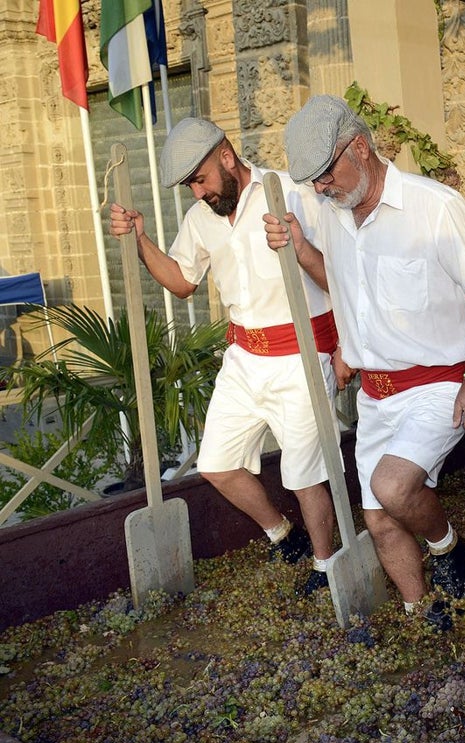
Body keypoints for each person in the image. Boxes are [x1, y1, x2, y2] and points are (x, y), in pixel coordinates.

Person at [267, 95, 465, 631]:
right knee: (377, 518)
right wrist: (302, 250)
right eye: (314, 182)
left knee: (393, 489)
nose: (321, 188)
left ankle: (448, 548)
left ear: (360, 147)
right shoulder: (333, 217)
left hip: (440, 382)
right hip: (376, 394)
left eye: (326, 174)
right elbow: (346, 286)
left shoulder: (434, 206)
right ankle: (421, 610)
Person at [108, 118, 339, 595]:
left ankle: (326, 565)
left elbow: (336, 275)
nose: (198, 192)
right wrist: (140, 241)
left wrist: (344, 349)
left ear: (227, 158)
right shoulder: (200, 219)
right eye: (192, 184)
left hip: (301, 355)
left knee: (304, 475)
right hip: (242, 357)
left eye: (201, 179)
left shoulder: (291, 193)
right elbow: (181, 282)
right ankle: (282, 535)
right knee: (215, 463)